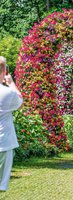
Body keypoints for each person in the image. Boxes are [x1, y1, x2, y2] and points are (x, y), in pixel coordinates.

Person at [0, 56, 23, 191]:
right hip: (4, 142)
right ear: (3, 71)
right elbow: (20, 103)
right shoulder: (8, 92)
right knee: (1, 185)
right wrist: (11, 83)